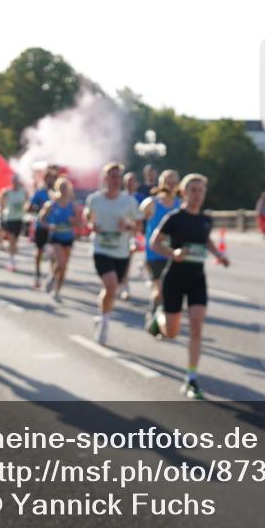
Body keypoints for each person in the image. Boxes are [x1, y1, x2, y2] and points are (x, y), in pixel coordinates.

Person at [147, 173, 229, 399]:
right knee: (171, 332)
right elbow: (155, 242)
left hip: (197, 280)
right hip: (174, 278)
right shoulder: (175, 218)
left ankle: (191, 378)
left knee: (196, 326)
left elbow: (207, 240)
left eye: (201, 190)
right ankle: (159, 317)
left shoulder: (205, 219)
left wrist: (219, 255)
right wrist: (172, 253)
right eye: (193, 190)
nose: (197, 194)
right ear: (183, 193)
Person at [85, 163, 143, 344]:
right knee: (110, 285)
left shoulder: (129, 201)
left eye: (118, 176)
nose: (115, 180)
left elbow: (139, 225)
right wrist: (91, 225)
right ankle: (105, 323)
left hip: (121, 251)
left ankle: (102, 317)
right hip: (100, 249)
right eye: (112, 176)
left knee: (111, 290)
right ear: (105, 179)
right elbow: (88, 217)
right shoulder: (95, 199)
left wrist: (128, 226)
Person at [140, 169, 181, 316]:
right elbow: (137, 221)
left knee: (170, 290)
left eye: (174, 180)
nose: (171, 183)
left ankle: (161, 314)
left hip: (174, 253)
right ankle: (153, 314)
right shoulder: (151, 203)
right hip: (154, 252)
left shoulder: (180, 205)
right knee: (159, 290)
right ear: (161, 182)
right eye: (168, 180)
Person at [38, 176, 81, 302]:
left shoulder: (72, 206)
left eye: (65, 187)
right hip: (56, 237)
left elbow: (79, 223)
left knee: (63, 266)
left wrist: (74, 221)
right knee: (61, 263)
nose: (63, 190)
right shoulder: (51, 204)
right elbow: (41, 219)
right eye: (61, 187)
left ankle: (57, 288)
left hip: (68, 237)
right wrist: (49, 226)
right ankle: (53, 279)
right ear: (57, 188)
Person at [27, 166, 59, 289]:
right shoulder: (39, 193)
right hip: (41, 226)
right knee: (39, 252)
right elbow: (29, 207)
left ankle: (51, 276)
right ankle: (37, 274)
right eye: (49, 178)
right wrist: (37, 208)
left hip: (54, 228)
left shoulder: (58, 194)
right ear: (45, 180)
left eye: (53, 179)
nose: (51, 181)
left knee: (54, 254)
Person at [0, 174, 28, 273]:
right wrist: (2, 211)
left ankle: (12, 256)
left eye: (17, 181)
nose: (15, 183)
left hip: (19, 218)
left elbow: (27, 203)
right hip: (9, 218)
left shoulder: (23, 192)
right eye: (14, 181)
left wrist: (26, 209)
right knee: (11, 238)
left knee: (15, 239)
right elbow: (1, 201)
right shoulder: (7, 192)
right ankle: (11, 260)